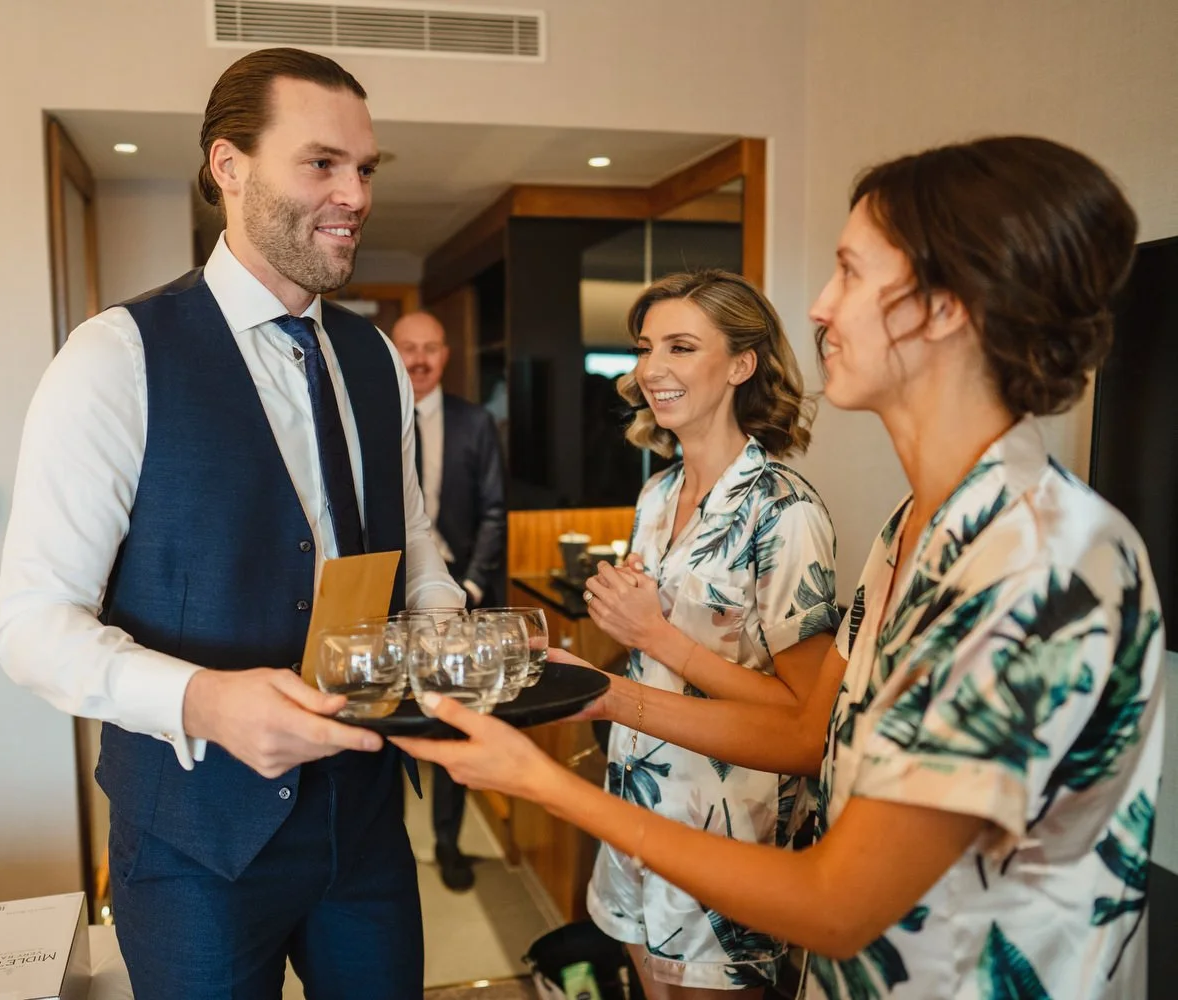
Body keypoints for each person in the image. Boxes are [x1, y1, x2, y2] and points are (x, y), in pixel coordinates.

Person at [397, 136, 1165, 1000]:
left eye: (849, 272)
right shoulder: (912, 529)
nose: (821, 307)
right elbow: (809, 736)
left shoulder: (1039, 560)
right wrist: (601, 694)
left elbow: (841, 904)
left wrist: (541, 783)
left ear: (945, 306)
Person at [0, 48, 463, 1000]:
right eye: (321, 163)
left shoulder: (374, 358)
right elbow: (32, 627)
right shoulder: (114, 357)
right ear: (229, 166)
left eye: (364, 169)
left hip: (366, 822)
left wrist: (449, 629)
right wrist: (204, 703)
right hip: (194, 846)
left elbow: (411, 541)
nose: (355, 196)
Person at [584, 270, 840, 998]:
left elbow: (808, 720)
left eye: (681, 347)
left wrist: (656, 635)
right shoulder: (657, 494)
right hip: (637, 796)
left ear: (740, 364)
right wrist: (614, 630)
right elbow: (649, 652)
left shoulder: (783, 512)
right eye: (645, 348)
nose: (652, 369)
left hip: (726, 828)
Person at [391, 310, 508, 891]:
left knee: (454, 722)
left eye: (430, 348)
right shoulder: (370, 413)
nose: (419, 359)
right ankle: (388, 842)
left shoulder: (475, 421)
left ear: (445, 354)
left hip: (462, 594)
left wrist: (474, 586)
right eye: (407, 347)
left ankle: (447, 843)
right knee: (387, 720)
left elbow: (494, 511)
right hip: (390, 594)